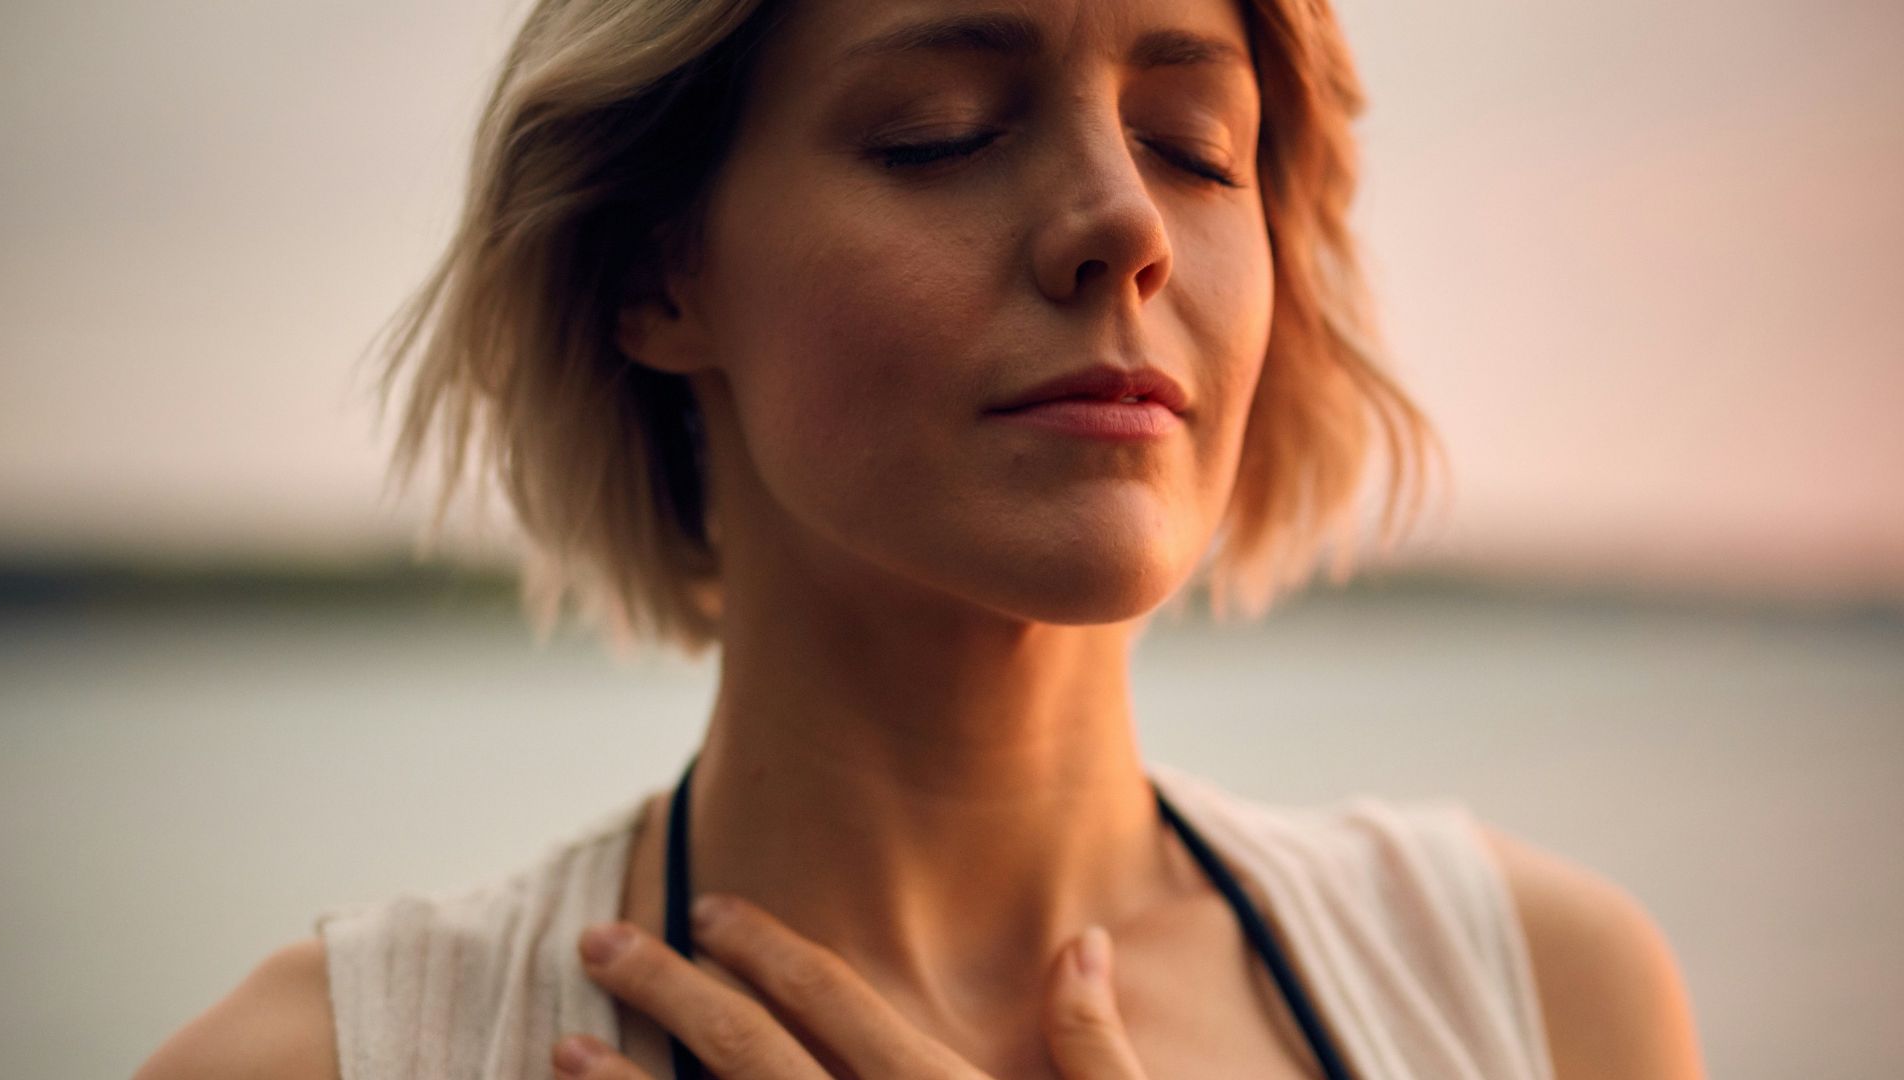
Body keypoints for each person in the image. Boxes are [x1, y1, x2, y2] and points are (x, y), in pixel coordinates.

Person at [135, 0, 1706, 1077]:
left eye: (1194, 141)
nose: (1126, 221)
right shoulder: (326, 1061)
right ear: (657, 272)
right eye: (938, 132)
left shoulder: (1543, 1001)